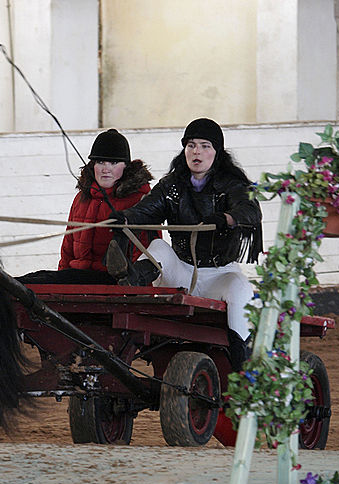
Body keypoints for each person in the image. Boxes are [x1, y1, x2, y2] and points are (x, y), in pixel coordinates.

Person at [106, 118, 263, 370]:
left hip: (220, 275)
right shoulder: (172, 186)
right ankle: (132, 279)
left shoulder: (233, 185)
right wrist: (123, 218)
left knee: (240, 288)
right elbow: (145, 211)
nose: (196, 152)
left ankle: (242, 367)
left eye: (204, 146)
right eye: (190, 145)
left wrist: (227, 218)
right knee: (158, 247)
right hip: (180, 272)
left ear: (217, 152)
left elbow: (250, 211)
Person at [18, 128, 157, 285]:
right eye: (100, 162)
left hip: (115, 281)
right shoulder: (81, 198)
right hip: (76, 276)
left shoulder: (141, 201)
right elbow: (68, 249)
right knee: (32, 280)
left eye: (113, 163)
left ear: (126, 166)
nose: (105, 169)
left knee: (34, 283)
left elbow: (147, 253)